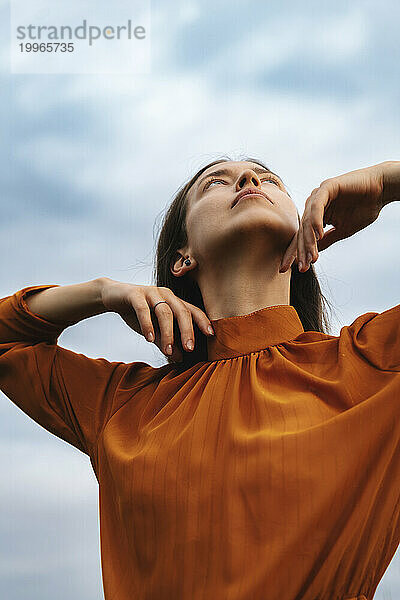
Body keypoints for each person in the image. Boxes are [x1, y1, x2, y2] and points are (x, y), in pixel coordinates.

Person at [0, 157, 398, 600]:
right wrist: (103, 293)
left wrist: (384, 183)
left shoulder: (373, 363)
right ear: (181, 258)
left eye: (271, 181)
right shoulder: (123, 405)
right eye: (215, 183)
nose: (250, 180)